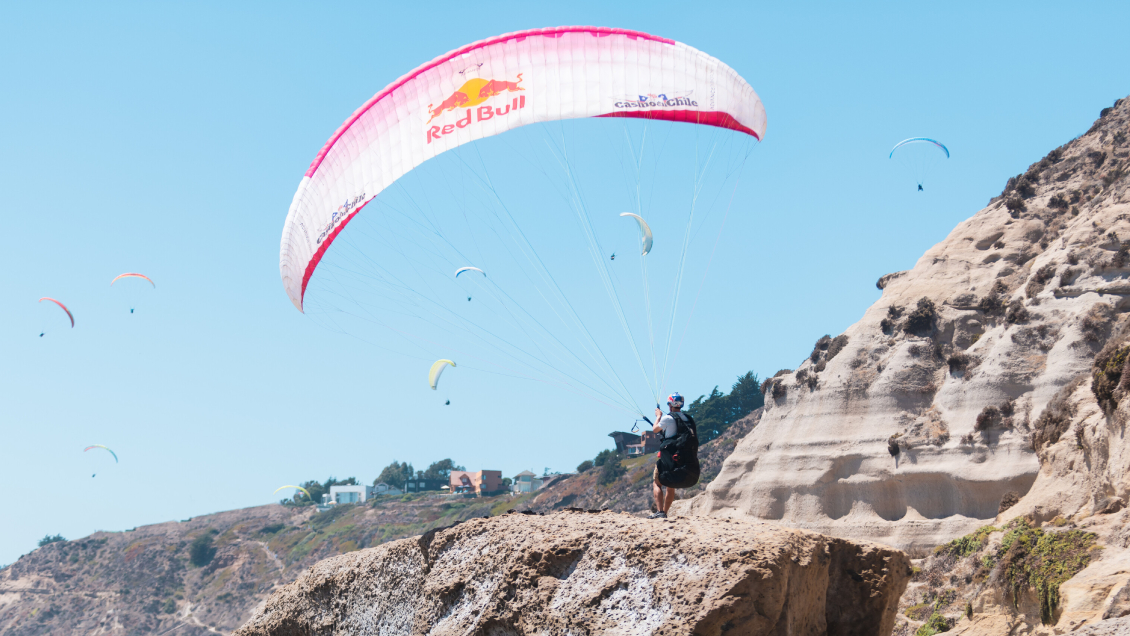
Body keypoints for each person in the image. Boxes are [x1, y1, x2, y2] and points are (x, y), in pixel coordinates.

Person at [649, 392, 698, 519]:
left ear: (670, 405)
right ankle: (665, 512)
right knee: (670, 484)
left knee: (657, 482)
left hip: (669, 456)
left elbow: (655, 429)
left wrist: (658, 416)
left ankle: (660, 512)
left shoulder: (667, 418)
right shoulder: (687, 418)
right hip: (682, 456)